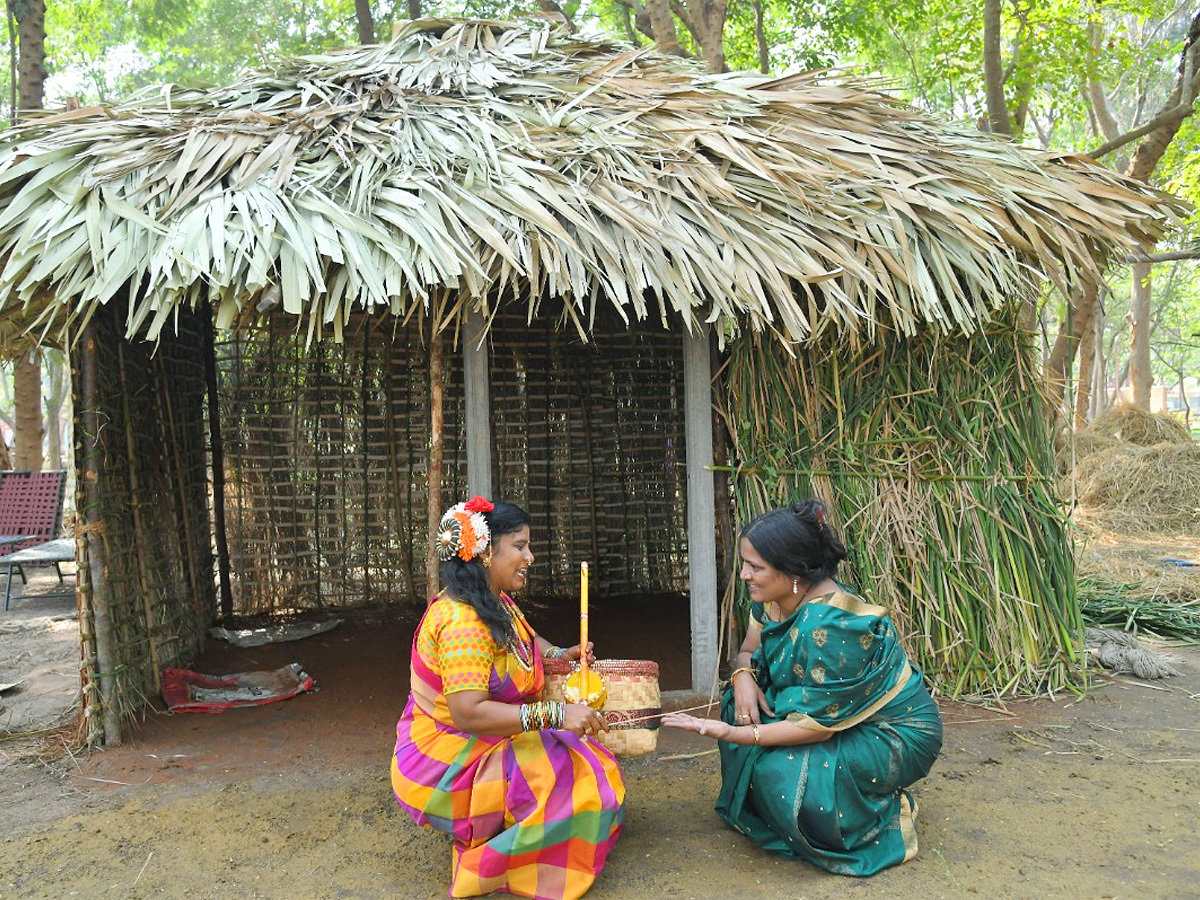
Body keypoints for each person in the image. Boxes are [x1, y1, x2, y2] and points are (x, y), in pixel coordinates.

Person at [663, 499, 942, 876]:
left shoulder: (829, 625)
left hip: (892, 734)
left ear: (793, 570)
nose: (744, 575)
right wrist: (743, 678)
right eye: (745, 563)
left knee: (775, 769)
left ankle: (873, 816)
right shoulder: (774, 600)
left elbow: (812, 726)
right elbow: (747, 652)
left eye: (755, 567)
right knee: (739, 704)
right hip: (826, 715)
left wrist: (731, 733)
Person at [391, 496, 625, 900]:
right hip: (445, 761)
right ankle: (498, 858)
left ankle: (515, 822)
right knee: (571, 778)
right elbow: (468, 713)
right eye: (519, 546)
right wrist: (554, 714)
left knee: (589, 764)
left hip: (481, 739)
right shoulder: (463, 622)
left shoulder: (492, 601)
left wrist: (557, 655)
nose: (530, 557)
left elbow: (526, 640)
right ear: (484, 551)